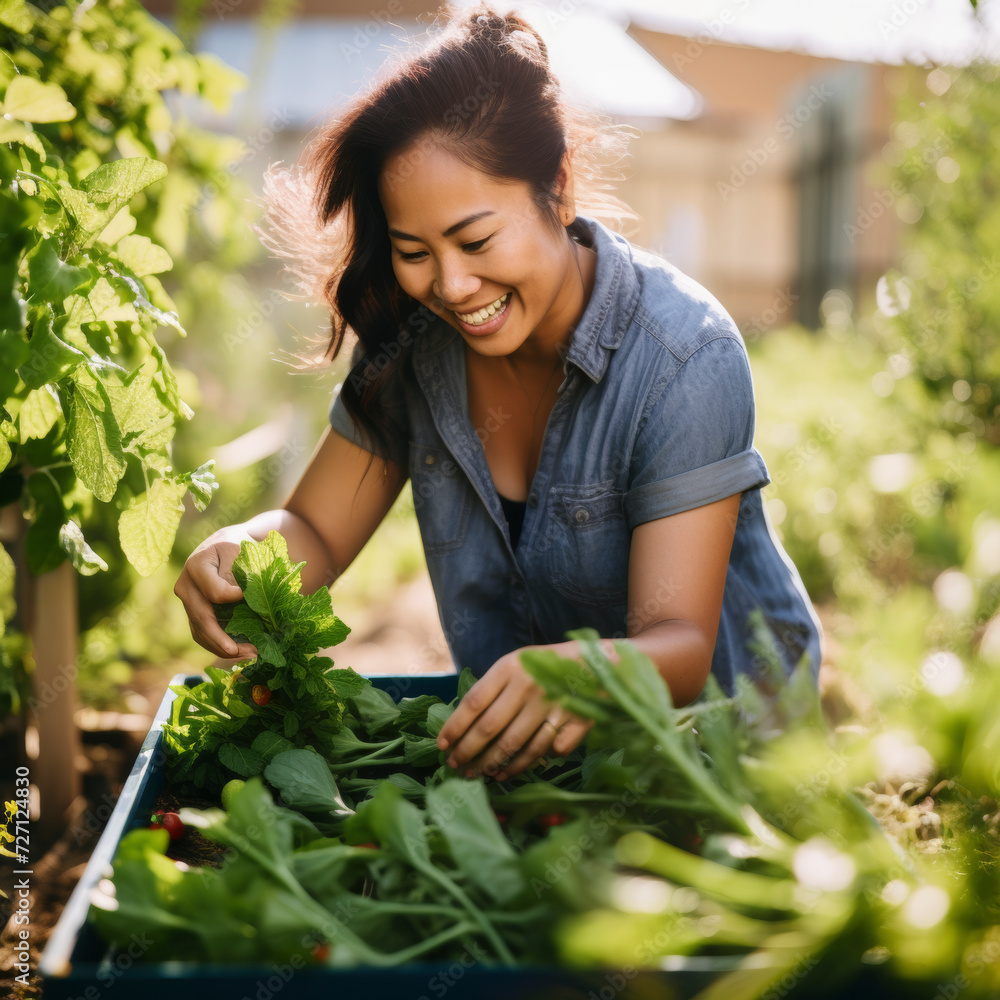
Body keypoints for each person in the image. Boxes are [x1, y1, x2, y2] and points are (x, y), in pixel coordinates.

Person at [174, 4, 824, 787]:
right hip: (534, 755)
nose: (450, 284)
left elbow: (678, 648)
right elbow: (314, 523)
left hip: (728, 748)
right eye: (414, 251)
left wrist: (571, 674)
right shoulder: (414, 346)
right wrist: (246, 552)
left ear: (557, 187)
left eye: (477, 241)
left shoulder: (683, 356)